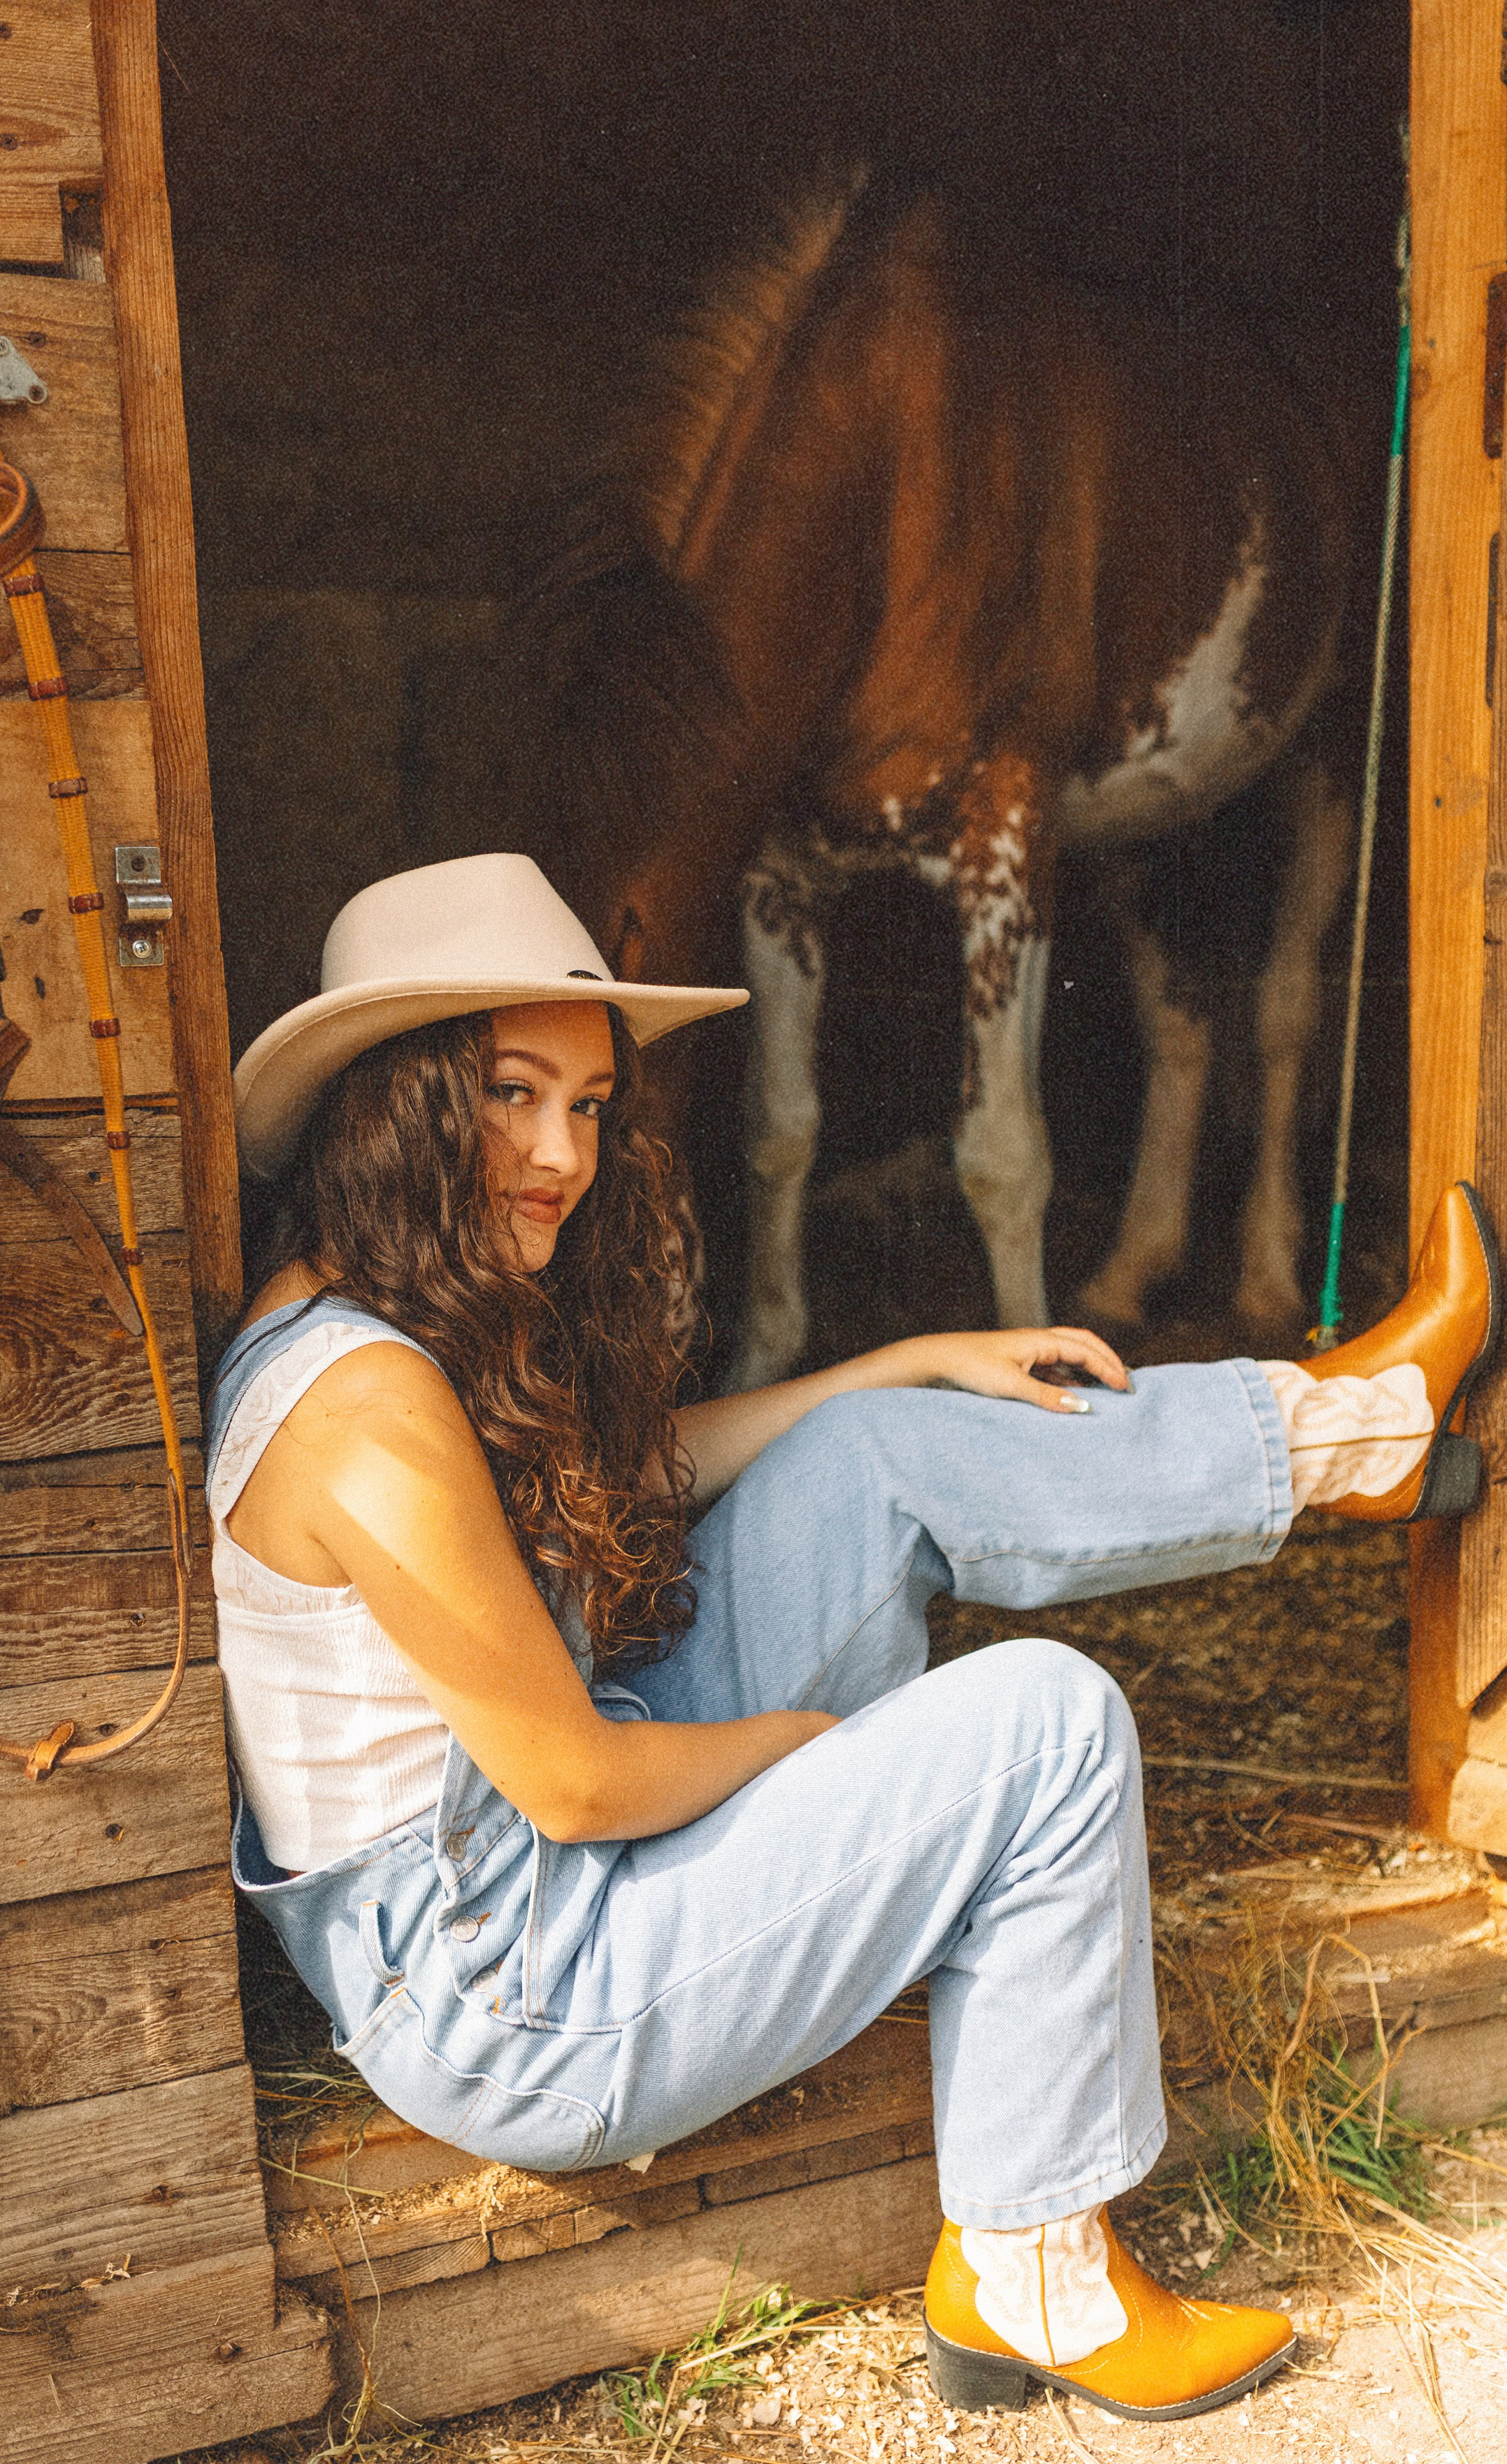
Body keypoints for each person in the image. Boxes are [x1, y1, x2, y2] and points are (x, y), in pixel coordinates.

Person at [210, 852, 1497, 2429]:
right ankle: (1032, 2274)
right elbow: (578, 1788)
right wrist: (817, 1759)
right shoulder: (364, 1413)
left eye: (593, 1106)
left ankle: (1336, 1439)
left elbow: (620, 1492)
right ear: (394, 1099)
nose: (563, 1154)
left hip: (520, 1886)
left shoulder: (345, 1306)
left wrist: (893, 1368)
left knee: (866, 1455)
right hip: (523, 1997)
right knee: (1041, 1725)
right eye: (510, 1094)